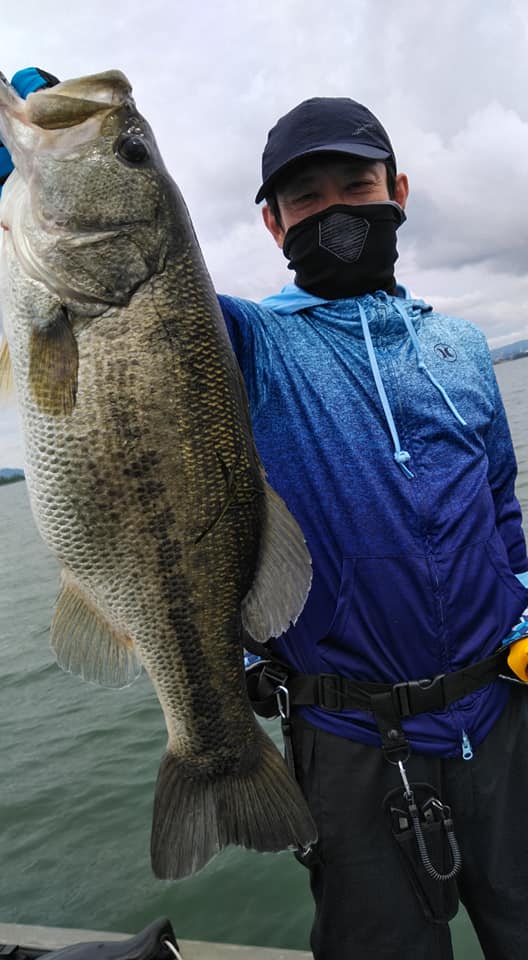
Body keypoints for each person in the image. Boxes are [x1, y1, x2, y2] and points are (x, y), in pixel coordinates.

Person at [3, 75, 528, 959]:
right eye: (305, 197)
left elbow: (502, 509)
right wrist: (38, 176)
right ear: (273, 226)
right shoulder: (250, 340)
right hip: (350, 739)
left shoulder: (466, 348)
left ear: (398, 191)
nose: (336, 209)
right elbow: (147, 315)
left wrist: (525, 611)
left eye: (356, 184)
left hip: (502, 715)